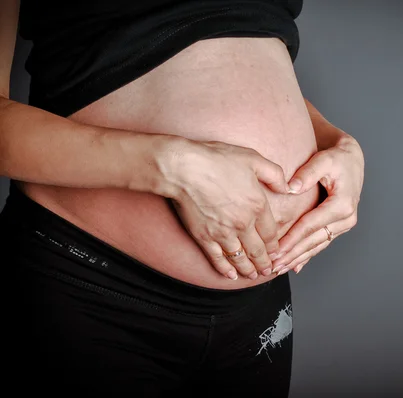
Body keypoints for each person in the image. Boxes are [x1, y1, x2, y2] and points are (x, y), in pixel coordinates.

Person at [0, 0, 364, 396]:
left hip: (256, 308)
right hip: (93, 287)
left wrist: (337, 142)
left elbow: (236, 56)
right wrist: (173, 168)